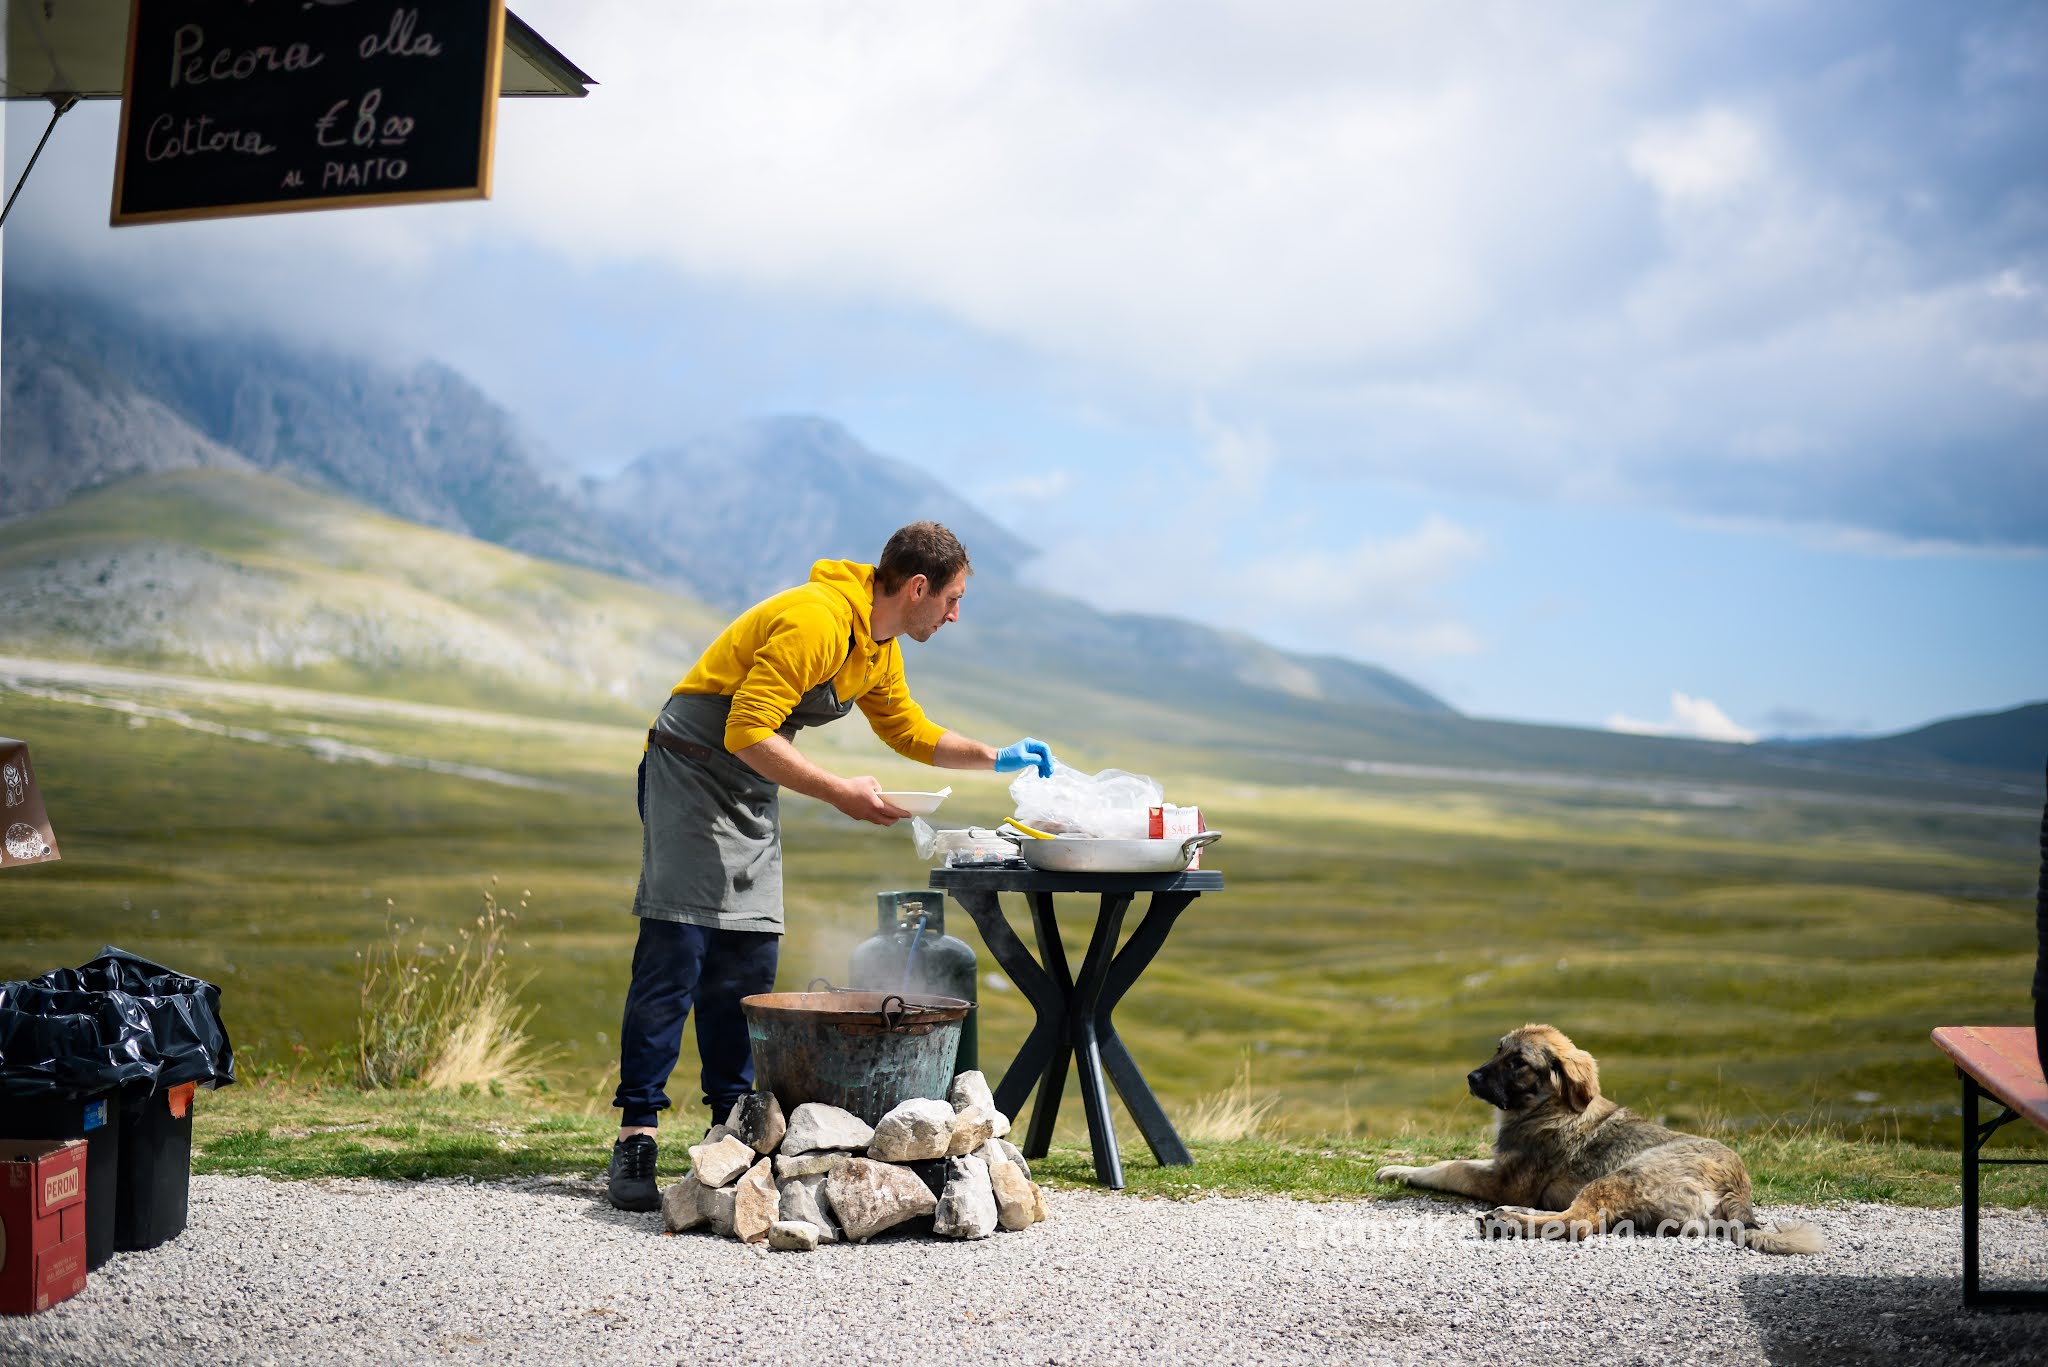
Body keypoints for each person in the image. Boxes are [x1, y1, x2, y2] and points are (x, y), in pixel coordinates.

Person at [606, 520, 1055, 1210]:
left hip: (750, 779)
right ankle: (637, 1132)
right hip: (693, 768)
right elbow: (743, 727)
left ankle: (733, 1128)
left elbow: (907, 729)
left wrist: (997, 756)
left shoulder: (877, 645)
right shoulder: (817, 620)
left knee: (751, 951)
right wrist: (841, 792)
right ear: (916, 587)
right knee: (679, 945)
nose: (956, 613)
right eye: (953, 598)